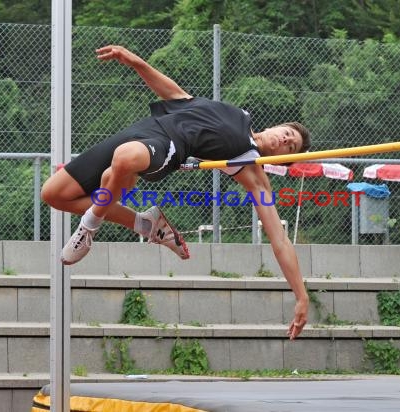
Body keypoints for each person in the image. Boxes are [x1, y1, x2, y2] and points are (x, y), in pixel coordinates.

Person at [41, 45, 311, 339]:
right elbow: (176, 95)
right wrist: (135, 61)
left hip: (167, 148)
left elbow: (280, 239)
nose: (285, 139)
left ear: (282, 158)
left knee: (122, 162)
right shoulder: (236, 114)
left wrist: (301, 296)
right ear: (277, 125)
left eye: (290, 146)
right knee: (54, 194)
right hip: (142, 130)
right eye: (287, 132)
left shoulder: (250, 166)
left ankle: (89, 227)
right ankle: (146, 223)